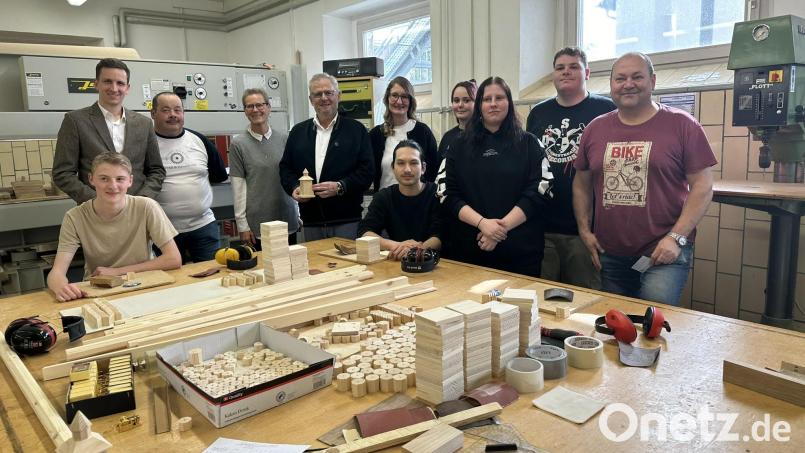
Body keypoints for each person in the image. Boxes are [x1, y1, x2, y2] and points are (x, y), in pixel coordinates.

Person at [573, 52, 716, 305]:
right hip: (610, 254)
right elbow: (581, 184)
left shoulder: (683, 125)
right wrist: (584, 231)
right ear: (611, 85)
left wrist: (676, 238)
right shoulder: (595, 129)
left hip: (663, 253)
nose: (628, 84)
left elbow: (703, 186)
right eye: (620, 78)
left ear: (653, 81)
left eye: (637, 77)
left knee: (651, 328)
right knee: (614, 327)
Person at [526, 47, 616, 289]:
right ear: (553, 75)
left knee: (586, 299)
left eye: (573, 66)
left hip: (586, 230)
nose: (566, 72)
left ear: (586, 72)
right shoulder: (538, 113)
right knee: (543, 299)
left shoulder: (606, 110)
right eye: (559, 67)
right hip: (543, 227)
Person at [444, 76, 549, 277]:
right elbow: (446, 192)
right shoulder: (458, 145)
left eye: (499, 98)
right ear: (479, 105)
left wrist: (500, 229)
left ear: (509, 102)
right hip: (471, 250)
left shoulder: (530, 144)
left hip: (521, 253)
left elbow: (541, 190)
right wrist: (483, 223)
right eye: (486, 99)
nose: (493, 104)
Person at [46, 153, 181, 302]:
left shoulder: (147, 207)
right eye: (104, 178)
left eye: (120, 179)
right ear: (91, 179)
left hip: (143, 282)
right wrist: (61, 288)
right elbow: (56, 273)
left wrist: (116, 272)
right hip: (98, 290)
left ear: (130, 180)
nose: (112, 186)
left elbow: (173, 259)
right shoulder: (74, 217)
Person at [52, 58, 165, 204]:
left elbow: (157, 171)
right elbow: (62, 173)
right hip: (96, 213)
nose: (114, 88)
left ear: (127, 88)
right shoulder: (75, 121)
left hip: (136, 211)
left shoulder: (144, 124)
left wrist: (142, 199)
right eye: (107, 81)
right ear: (96, 84)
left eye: (120, 83)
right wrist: (96, 201)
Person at [279, 74, 374, 241]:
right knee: (316, 267)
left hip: (347, 221)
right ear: (311, 99)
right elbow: (286, 168)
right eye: (318, 94)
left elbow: (367, 171)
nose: (324, 98)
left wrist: (340, 186)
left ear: (338, 96)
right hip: (311, 222)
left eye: (329, 93)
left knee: (349, 267)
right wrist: (294, 187)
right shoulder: (298, 132)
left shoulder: (356, 130)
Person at [150, 92, 228, 263]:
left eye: (178, 110)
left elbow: (218, 175)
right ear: (153, 113)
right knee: (170, 282)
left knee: (211, 277)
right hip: (163, 230)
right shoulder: (145, 144)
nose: (173, 115)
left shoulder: (200, 140)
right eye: (166, 110)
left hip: (203, 226)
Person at [229, 88, 300, 246]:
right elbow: (238, 188)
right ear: (245, 111)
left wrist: (297, 212)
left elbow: (293, 179)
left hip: (287, 218)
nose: (255, 110)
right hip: (258, 224)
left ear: (269, 107)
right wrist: (242, 226)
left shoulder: (285, 139)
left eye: (260, 105)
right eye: (250, 106)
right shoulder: (238, 144)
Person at [358, 140, 441, 260]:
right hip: (397, 260)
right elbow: (364, 231)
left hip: (434, 262)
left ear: (423, 168)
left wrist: (415, 251)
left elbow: (440, 235)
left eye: (413, 163)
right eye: (401, 163)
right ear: (393, 167)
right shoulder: (384, 197)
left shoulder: (437, 194)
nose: (407, 169)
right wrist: (396, 246)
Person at [369, 76, 438, 191]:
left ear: (411, 101)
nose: (399, 101)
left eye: (404, 97)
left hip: (418, 202)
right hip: (385, 202)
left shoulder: (423, 132)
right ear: (387, 99)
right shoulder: (376, 135)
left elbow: (433, 170)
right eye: (395, 95)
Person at [436, 79, 477, 259]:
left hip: (476, 215)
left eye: (466, 100)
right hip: (452, 213)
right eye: (456, 100)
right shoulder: (448, 138)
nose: (460, 105)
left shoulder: (484, 137)